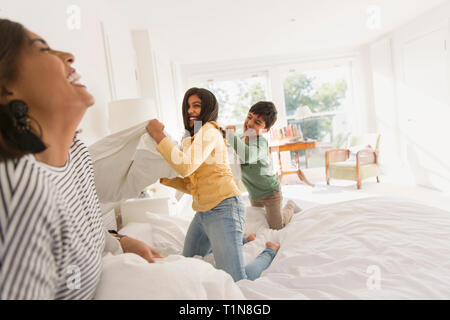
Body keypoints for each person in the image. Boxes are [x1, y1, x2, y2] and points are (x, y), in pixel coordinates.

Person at [0, 19, 163, 300]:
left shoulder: (77, 156)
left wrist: (120, 242)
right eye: (42, 49)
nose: (68, 56)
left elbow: (80, 233)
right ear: (5, 88)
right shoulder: (15, 185)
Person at [146, 88, 280, 282]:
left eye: (196, 106)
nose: (191, 110)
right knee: (188, 261)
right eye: (188, 106)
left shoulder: (210, 131)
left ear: (207, 108)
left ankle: (269, 251)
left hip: (224, 209)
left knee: (236, 280)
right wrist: (164, 178)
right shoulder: (190, 140)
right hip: (203, 212)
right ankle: (240, 240)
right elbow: (193, 185)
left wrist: (159, 136)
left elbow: (184, 166)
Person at [226, 101, 301, 230]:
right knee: (259, 224)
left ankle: (290, 207)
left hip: (270, 193)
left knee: (277, 227)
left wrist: (231, 136)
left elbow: (248, 156)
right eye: (249, 117)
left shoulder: (261, 143)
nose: (249, 123)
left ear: (265, 129)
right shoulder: (240, 139)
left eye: (257, 122)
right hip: (254, 194)